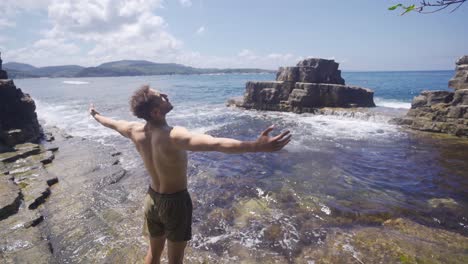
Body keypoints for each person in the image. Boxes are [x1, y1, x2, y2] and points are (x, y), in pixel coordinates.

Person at [89, 85, 291, 264]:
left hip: (152, 200)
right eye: (162, 96)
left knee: (154, 252)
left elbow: (110, 123)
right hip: (175, 203)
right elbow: (216, 143)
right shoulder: (174, 135)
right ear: (157, 112)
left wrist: (95, 115)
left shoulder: (134, 130)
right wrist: (256, 146)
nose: (166, 95)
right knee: (175, 260)